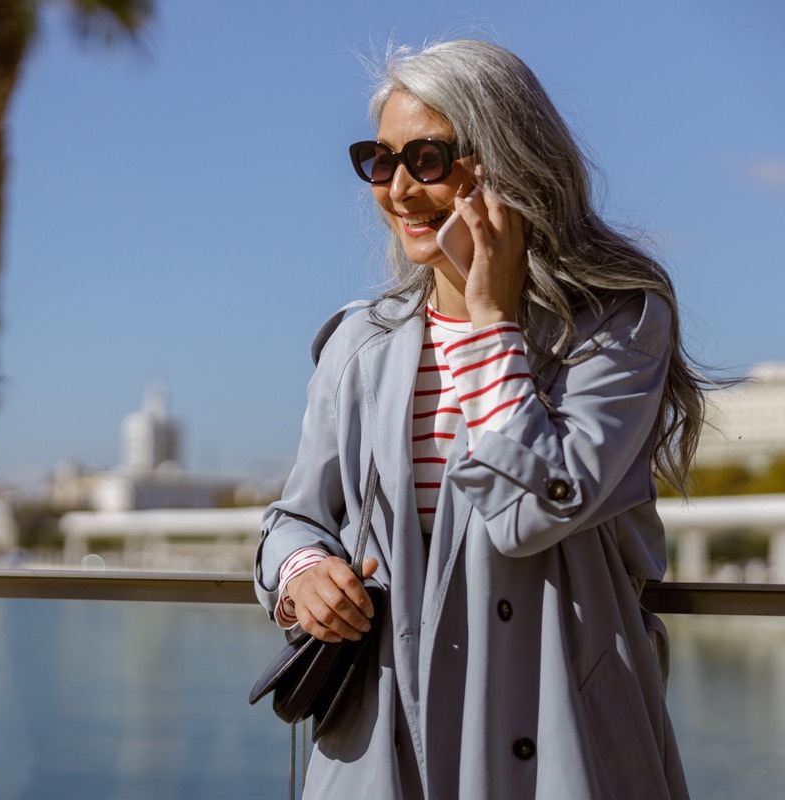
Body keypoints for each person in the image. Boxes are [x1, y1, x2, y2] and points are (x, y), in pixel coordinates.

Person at [254, 38, 699, 799]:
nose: (399, 189)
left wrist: (490, 321)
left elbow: (532, 512)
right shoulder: (361, 345)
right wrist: (305, 574)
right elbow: (295, 518)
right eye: (379, 160)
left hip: (561, 730)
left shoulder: (618, 322)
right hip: (385, 737)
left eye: (427, 158)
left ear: (508, 159)